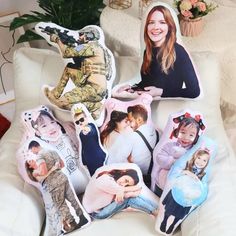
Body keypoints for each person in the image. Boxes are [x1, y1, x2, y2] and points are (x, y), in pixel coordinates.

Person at [116, 5, 200, 100]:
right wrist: (132, 88)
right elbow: (148, 84)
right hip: (148, 102)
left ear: (169, 27)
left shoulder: (178, 51)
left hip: (170, 105)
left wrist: (161, 92)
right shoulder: (148, 51)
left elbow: (194, 91)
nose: (155, 27)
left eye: (162, 22)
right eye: (151, 22)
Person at [43, 26, 112, 119]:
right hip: (94, 87)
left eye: (81, 35)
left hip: (93, 89)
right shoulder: (96, 47)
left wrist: (57, 40)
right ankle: (55, 93)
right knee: (69, 68)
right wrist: (70, 44)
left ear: (89, 36)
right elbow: (79, 63)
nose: (79, 37)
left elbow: (66, 53)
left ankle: (94, 107)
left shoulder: (90, 46)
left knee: (61, 103)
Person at [26, 140, 88, 233]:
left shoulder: (40, 156)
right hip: (63, 177)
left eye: (31, 151)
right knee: (72, 198)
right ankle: (82, 217)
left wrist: (46, 170)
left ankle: (72, 223)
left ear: (34, 148)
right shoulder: (52, 151)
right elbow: (62, 164)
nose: (33, 153)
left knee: (61, 204)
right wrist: (55, 167)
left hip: (54, 183)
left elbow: (43, 172)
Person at [152, 113, 205, 197]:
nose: (186, 137)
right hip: (161, 184)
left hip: (177, 188)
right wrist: (173, 161)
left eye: (191, 135)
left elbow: (195, 166)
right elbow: (160, 158)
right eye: (183, 132)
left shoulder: (194, 152)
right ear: (177, 132)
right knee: (157, 198)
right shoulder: (169, 146)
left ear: (196, 138)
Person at [159, 148, 210, 234]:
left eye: (204, 160)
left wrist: (197, 180)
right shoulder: (187, 165)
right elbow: (175, 174)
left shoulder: (203, 174)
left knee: (179, 214)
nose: (200, 162)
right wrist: (186, 172)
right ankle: (164, 221)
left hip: (188, 197)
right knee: (169, 209)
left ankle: (172, 225)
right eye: (199, 158)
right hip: (178, 191)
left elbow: (203, 187)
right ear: (194, 157)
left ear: (206, 163)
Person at [82, 167, 158, 219]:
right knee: (129, 199)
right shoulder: (105, 179)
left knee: (131, 196)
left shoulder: (114, 183)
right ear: (123, 173)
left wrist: (129, 192)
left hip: (103, 207)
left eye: (127, 184)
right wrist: (132, 193)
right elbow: (135, 189)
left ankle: (157, 209)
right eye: (126, 180)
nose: (123, 184)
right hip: (97, 214)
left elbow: (137, 189)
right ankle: (155, 211)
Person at [74, 109, 107, 176]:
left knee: (103, 175)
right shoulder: (80, 133)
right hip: (88, 160)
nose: (80, 123)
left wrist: (85, 129)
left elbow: (90, 130)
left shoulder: (91, 126)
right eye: (77, 122)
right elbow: (83, 146)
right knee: (94, 177)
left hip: (97, 157)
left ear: (86, 118)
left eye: (81, 120)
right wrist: (83, 160)